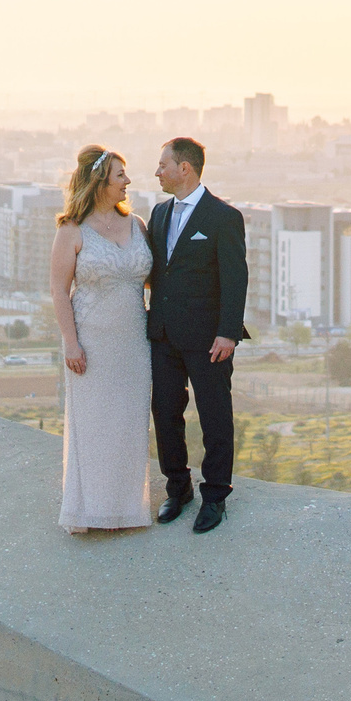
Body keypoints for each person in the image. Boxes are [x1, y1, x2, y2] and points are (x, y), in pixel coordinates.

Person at [146, 136, 250, 534]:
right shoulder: (158, 214)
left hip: (209, 340)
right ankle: (178, 488)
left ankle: (216, 497)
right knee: (165, 413)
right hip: (164, 336)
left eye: (162, 165)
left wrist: (228, 334)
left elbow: (235, 279)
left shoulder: (224, 217)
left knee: (215, 418)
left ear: (183, 168)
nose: (157, 172)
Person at [49, 146, 154, 533]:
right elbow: (59, 291)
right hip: (90, 343)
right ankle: (89, 509)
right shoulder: (71, 231)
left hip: (134, 343)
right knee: (94, 426)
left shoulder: (138, 224)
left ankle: (127, 508)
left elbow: (153, 280)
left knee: (129, 424)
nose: (127, 181)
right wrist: (71, 344)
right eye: (120, 175)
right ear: (100, 182)